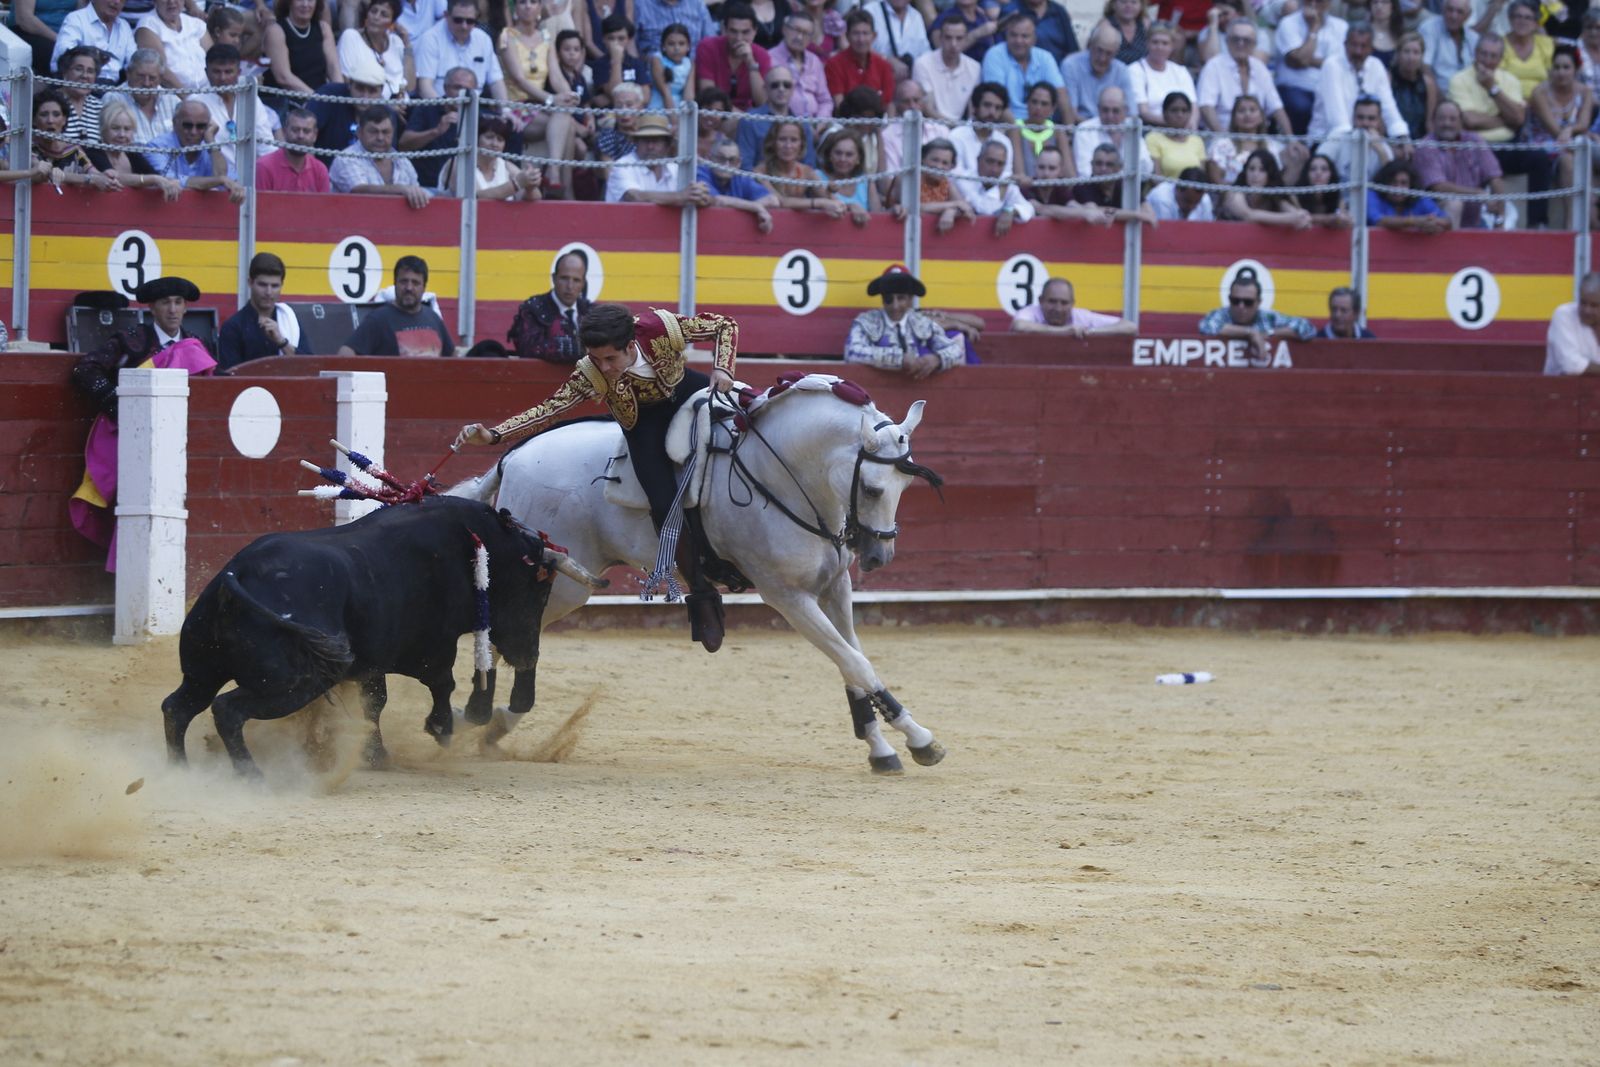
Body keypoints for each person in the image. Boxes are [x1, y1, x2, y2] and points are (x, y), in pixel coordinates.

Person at [453, 303, 741, 652]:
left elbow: (724, 325)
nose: (604, 369)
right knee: (663, 503)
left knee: (750, 421)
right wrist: (495, 435)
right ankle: (703, 595)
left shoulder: (661, 328)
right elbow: (549, 409)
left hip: (686, 392)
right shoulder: (590, 371)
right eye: (596, 359)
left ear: (631, 343)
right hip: (642, 425)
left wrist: (723, 369)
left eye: (610, 359)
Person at [71, 275, 213, 420]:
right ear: (152, 308)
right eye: (165, 303)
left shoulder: (197, 344)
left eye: (178, 302)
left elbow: (213, 380)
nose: (172, 310)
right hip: (138, 421)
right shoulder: (130, 340)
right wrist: (114, 399)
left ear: (185, 308)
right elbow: (86, 368)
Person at [1449, 35, 1551, 226]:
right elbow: (1469, 120)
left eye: (1493, 56)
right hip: (1474, 147)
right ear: (1475, 54)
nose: (1487, 60)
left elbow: (1519, 119)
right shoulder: (1459, 79)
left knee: (1539, 158)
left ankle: (1538, 224)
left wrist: (1492, 88)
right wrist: (1505, 119)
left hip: (1507, 146)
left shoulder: (1510, 80)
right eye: (1483, 54)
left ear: (1500, 59)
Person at [845, 265, 966, 377]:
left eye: (901, 298)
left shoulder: (922, 322)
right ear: (882, 299)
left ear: (910, 299)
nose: (895, 306)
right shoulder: (867, 322)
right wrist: (898, 358)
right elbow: (852, 352)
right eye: (889, 299)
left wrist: (937, 359)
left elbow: (956, 351)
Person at [1308, 21, 1412, 143]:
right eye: (1354, 45)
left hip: (1367, 140)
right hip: (1328, 140)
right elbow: (1337, 120)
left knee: (1401, 153)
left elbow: (1389, 108)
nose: (1358, 51)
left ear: (1371, 48)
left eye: (1363, 46)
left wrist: (1401, 136)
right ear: (1345, 45)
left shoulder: (1377, 66)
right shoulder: (1332, 65)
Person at [338, 255, 457, 356]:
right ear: (395, 283)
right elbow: (345, 353)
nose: (409, 288)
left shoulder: (434, 319)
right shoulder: (378, 320)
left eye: (415, 283)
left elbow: (453, 359)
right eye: (403, 281)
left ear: (424, 287)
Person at [1414, 98, 1504, 228]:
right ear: (1433, 122)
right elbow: (1438, 187)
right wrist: (1477, 194)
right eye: (1442, 118)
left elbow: (1495, 176)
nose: (1447, 123)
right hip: (1434, 223)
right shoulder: (1426, 146)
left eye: (1452, 119)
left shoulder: (1474, 140)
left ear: (1461, 122)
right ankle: (1450, 248)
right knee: (1454, 203)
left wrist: (1499, 221)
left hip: (1474, 222)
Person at [192, 44, 280, 174]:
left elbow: (266, 146)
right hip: (210, 179)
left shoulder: (252, 100)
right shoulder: (195, 102)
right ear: (206, 72)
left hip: (251, 179)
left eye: (228, 72)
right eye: (216, 72)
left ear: (238, 73)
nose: (222, 78)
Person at [1197, 18, 1292, 135]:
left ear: (1255, 44)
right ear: (1226, 41)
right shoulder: (1213, 66)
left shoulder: (1259, 67)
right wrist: (1224, 138)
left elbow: (1277, 108)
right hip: (1220, 135)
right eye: (1235, 39)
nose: (1240, 44)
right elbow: (1206, 107)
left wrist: (1290, 139)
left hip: (1257, 138)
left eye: (1246, 40)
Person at [144, 98, 248, 200]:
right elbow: (170, 180)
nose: (194, 132)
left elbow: (226, 179)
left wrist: (211, 142)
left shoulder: (208, 148)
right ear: (175, 123)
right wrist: (219, 180)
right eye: (187, 125)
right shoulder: (156, 147)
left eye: (201, 126)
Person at [1527, 44, 1593, 202]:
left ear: (1576, 70)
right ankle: (1571, 224)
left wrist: (1570, 130)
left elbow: (1583, 124)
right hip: (1543, 146)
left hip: (1571, 143)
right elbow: (1555, 130)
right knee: (1568, 159)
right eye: (1556, 67)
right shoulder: (1539, 92)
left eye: (1566, 67)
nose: (1560, 72)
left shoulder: (1585, 91)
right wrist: (1572, 133)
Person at [84, 98, 184, 200]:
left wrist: (169, 181)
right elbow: (112, 178)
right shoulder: (94, 152)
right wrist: (154, 179)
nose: (122, 135)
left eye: (127, 129)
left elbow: (153, 175)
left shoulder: (132, 153)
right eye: (115, 128)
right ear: (103, 130)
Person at [1273, 0, 1348, 135]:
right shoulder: (1288, 23)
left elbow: (1338, 64)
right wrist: (1314, 28)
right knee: (1301, 107)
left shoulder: (1341, 26)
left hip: (1329, 89)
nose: (1313, 3)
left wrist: (1306, 59)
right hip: (1295, 87)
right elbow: (1298, 60)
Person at [332, 106, 431, 207]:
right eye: (373, 132)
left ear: (393, 133)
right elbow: (358, 190)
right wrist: (400, 189)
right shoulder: (346, 158)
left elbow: (417, 194)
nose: (380, 138)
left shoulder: (403, 161)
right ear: (359, 133)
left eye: (385, 132)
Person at [218, 252, 305, 369]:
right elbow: (230, 378)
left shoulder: (290, 320)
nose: (269, 292)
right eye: (263, 285)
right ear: (250, 283)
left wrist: (281, 341)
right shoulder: (233, 327)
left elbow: (309, 366)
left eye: (275, 286)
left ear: (282, 285)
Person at [606, 112, 714, 205]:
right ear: (636, 143)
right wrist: (681, 196)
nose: (650, 146)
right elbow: (634, 197)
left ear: (667, 145)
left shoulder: (674, 169)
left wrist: (699, 196)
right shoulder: (623, 165)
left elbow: (697, 196)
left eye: (656, 141)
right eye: (645, 140)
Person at [1199, 275, 1314, 360]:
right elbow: (1206, 326)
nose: (1241, 306)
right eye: (1235, 301)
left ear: (1258, 302)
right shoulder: (1222, 314)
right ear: (1229, 299)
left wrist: (1269, 333)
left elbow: (1307, 329)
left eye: (1248, 302)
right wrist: (1251, 333)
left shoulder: (1268, 317)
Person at [508, 250, 594, 361]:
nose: (570, 286)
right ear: (554, 278)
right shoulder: (533, 309)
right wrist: (581, 349)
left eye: (576, 280)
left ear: (583, 284)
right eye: (564, 278)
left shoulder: (592, 312)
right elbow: (528, 348)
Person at [415, 0, 506, 98]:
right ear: (446, 15)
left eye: (470, 21)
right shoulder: (430, 39)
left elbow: (496, 82)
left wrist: (505, 110)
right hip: (439, 106)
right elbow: (425, 87)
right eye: (458, 20)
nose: (464, 26)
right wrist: (443, 109)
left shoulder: (483, 39)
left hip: (475, 106)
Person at [439, 115, 544, 198]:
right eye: (489, 137)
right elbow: (475, 197)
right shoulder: (458, 163)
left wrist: (530, 187)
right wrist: (516, 184)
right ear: (475, 139)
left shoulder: (506, 166)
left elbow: (534, 197)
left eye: (500, 140)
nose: (495, 144)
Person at [736, 64, 817, 168]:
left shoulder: (803, 124)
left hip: (795, 182)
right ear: (765, 89)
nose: (781, 89)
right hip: (758, 181)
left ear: (792, 90)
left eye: (786, 85)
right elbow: (744, 166)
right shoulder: (750, 120)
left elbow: (809, 166)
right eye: (775, 85)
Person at [696, 3, 773, 110]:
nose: (739, 38)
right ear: (724, 29)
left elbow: (762, 102)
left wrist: (751, 63)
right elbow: (709, 96)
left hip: (748, 117)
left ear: (755, 32)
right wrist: (743, 120)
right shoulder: (707, 47)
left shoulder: (762, 55)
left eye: (745, 32)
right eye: (733, 31)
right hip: (714, 114)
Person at [339, 0, 416, 100]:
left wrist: (407, 45)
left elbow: (410, 87)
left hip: (403, 107)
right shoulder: (351, 37)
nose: (376, 17)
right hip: (368, 107)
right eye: (373, 11)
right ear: (367, 15)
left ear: (392, 23)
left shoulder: (396, 42)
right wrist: (387, 106)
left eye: (384, 15)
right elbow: (348, 82)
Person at [264, 0, 344, 94]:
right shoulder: (275, 31)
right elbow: (283, 77)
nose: (305, 4)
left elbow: (334, 68)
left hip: (319, 97)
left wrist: (340, 95)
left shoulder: (324, 28)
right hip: (287, 99)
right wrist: (317, 98)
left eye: (310, 0)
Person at [1071, 86, 1153, 178]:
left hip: (1127, 188)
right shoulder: (1084, 130)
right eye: (1105, 110)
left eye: (1115, 111)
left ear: (1125, 111)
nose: (1110, 116)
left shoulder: (1131, 128)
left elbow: (1146, 168)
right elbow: (1085, 172)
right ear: (1098, 109)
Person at [1220, 147, 1312, 228]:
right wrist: (1290, 219)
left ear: (1270, 175)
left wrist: (1301, 217)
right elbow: (1248, 215)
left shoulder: (1274, 197)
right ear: (1245, 172)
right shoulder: (1234, 193)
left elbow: (1295, 214)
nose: (1255, 175)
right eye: (1251, 169)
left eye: (1262, 170)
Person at [1011, 276, 1135, 336]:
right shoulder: (1031, 312)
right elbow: (1019, 326)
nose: (1058, 308)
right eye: (1052, 302)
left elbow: (1130, 326)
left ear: (1072, 304)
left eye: (1064, 303)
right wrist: (1064, 331)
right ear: (1040, 301)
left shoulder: (1081, 316)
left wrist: (1090, 332)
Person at [914, 17, 980, 126]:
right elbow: (928, 109)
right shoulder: (922, 64)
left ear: (966, 39)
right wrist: (956, 127)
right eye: (948, 38)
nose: (953, 44)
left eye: (959, 38)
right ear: (940, 38)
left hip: (961, 130)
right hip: (930, 126)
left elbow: (972, 110)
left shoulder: (975, 67)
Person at [1058, 22, 1130, 122]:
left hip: (1114, 130)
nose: (1102, 58)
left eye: (1109, 53)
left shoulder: (1121, 70)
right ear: (1090, 45)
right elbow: (1070, 113)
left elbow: (1131, 113)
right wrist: (1096, 130)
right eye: (1099, 50)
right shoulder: (1071, 65)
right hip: (1081, 129)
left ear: (1116, 53)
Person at [825, 8, 896, 108]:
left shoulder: (884, 66)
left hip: (878, 122)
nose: (861, 39)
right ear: (847, 36)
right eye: (856, 33)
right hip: (846, 121)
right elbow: (839, 105)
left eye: (865, 33)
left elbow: (888, 104)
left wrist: (888, 124)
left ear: (874, 36)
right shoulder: (834, 64)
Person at [52, 0, 136, 83]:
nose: (117, 2)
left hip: (114, 88)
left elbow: (134, 61)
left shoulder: (124, 26)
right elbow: (65, 54)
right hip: (80, 84)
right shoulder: (76, 19)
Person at [1129, 20, 1195, 127]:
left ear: (1172, 46)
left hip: (1182, 129)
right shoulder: (1135, 70)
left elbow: (1193, 106)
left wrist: (1191, 128)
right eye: (1155, 42)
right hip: (1151, 129)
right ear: (1147, 44)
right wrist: (1175, 124)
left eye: (1165, 43)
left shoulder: (1180, 71)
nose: (1160, 47)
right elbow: (1143, 112)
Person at [133, 0, 212, 89]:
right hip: (174, 95)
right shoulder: (148, 26)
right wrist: (189, 97)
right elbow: (161, 71)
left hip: (208, 91)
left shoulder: (196, 24)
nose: (171, 1)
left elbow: (215, 60)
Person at [964, 138, 1035, 234]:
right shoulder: (965, 180)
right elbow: (985, 210)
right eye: (990, 161)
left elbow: (1029, 209)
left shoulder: (1005, 181)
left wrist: (1010, 210)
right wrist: (1001, 188)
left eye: (1000, 164)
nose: (994, 169)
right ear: (978, 160)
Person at [1319, 95, 1397, 181]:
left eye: (1371, 118)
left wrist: (1381, 151)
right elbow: (1317, 164)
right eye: (1360, 117)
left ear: (1378, 121)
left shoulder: (1383, 148)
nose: (1365, 123)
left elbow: (1392, 184)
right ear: (1353, 118)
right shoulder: (1338, 137)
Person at [110, 49, 178, 147]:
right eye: (141, 76)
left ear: (160, 78)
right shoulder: (113, 99)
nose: (146, 83)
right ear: (128, 74)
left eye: (152, 78)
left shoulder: (172, 100)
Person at [256, 106, 333, 191]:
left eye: (306, 131)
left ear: (315, 135)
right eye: (295, 130)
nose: (301, 136)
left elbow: (324, 204)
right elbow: (260, 204)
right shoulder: (264, 166)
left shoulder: (320, 170)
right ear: (285, 132)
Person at [769, 12, 831, 117]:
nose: (799, 37)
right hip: (782, 124)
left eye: (806, 33)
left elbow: (825, 101)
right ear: (784, 29)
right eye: (796, 30)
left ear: (811, 39)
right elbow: (765, 99)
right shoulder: (769, 58)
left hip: (816, 124)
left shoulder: (814, 61)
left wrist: (820, 123)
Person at [1367, 158, 1452, 232]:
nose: (1398, 188)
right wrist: (1414, 222)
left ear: (1411, 185)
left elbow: (1447, 221)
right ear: (1385, 182)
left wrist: (1432, 224)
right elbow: (1379, 221)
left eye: (1403, 183)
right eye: (1393, 182)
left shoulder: (1418, 198)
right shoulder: (1373, 195)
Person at [816, 126, 879, 224]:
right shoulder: (817, 177)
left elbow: (878, 217)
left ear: (858, 159)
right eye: (838, 153)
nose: (842, 159)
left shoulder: (866, 181)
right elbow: (831, 204)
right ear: (830, 155)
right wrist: (850, 206)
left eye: (849, 154)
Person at [914, 138, 978, 231]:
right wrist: (954, 205)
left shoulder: (946, 183)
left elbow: (966, 209)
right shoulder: (910, 180)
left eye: (945, 163)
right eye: (935, 160)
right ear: (923, 159)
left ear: (951, 167)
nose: (939, 166)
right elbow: (915, 207)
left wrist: (951, 211)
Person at [1544, 272, 1600, 376]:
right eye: (1583, 303)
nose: (1587, 310)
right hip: (1558, 390)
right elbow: (1570, 365)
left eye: (1594, 305)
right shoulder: (1564, 315)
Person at [7, 0, 79, 78]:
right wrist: (59, 39)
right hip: (30, 32)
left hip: (67, 34)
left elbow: (81, 11)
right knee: (62, 56)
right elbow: (25, 19)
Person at [1014, 80, 1071, 178]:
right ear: (1027, 103)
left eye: (1044, 104)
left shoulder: (1058, 131)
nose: (1038, 108)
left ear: (1053, 108)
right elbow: (1019, 173)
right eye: (1034, 102)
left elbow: (1069, 173)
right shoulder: (1015, 128)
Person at [1499, 0, 1553, 100]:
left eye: (1528, 18)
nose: (1522, 21)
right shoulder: (1499, 44)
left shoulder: (1546, 44)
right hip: (1508, 101)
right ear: (1510, 20)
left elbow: (1553, 79)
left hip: (1541, 102)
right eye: (1518, 16)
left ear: (1535, 24)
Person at [1390, 31, 1438, 140]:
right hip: (1392, 140)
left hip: (1419, 141)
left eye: (1416, 52)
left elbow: (1429, 122)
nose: (1411, 57)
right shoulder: (1388, 79)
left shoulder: (1428, 83)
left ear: (1422, 56)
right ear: (1398, 54)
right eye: (1406, 52)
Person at [867, 0, 931, 80]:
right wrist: (886, 59)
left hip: (909, 79)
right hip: (876, 76)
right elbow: (858, 46)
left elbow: (925, 52)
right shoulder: (870, 11)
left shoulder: (916, 16)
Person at [1144, 91, 1203, 177]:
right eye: (1174, 110)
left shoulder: (1197, 140)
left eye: (1184, 110)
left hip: (1192, 190)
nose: (1180, 115)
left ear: (1190, 114)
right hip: (1163, 189)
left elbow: (1201, 177)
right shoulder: (1153, 138)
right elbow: (1155, 178)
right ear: (1164, 113)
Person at [1420, 0, 1479, 86]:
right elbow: (1425, 67)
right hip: (1439, 92)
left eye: (1460, 12)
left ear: (1468, 15)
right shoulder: (1429, 29)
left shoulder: (1473, 38)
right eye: (1450, 10)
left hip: (1467, 93)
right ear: (1443, 10)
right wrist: (1440, 97)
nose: (1453, 16)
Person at [635, 0, 717, 55]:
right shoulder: (639, 5)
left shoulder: (697, 4)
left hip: (696, 69)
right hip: (654, 71)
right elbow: (630, 44)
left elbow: (711, 43)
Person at [648, 21, 697, 109]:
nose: (676, 48)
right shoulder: (657, 60)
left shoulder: (689, 63)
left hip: (680, 106)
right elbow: (665, 94)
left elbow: (689, 95)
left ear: (688, 46)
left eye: (681, 44)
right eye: (671, 44)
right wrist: (674, 121)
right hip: (659, 105)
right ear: (663, 46)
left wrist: (684, 117)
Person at [1294, 152, 1351, 227]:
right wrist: (1329, 219)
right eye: (1313, 169)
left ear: (1331, 174)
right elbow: (1297, 218)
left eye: (1324, 169)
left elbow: (1346, 221)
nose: (1318, 173)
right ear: (1306, 174)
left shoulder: (1338, 199)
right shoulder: (1294, 196)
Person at [1147, 165, 1215, 220]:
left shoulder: (1205, 199)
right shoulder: (1162, 198)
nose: (1191, 207)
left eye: (1196, 203)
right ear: (1178, 189)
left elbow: (1207, 232)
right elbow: (1164, 233)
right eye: (1188, 201)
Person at [1095, 0, 1151, 65]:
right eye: (1123, 2)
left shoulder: (1145, 24)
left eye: (1133, 2)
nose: (1128, 6)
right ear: (1113, 5)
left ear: (1141, 6)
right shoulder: (1105, 25)